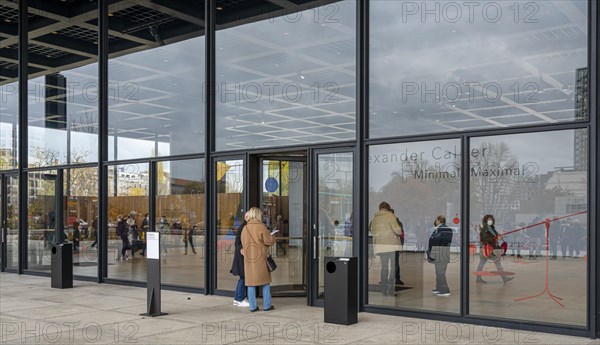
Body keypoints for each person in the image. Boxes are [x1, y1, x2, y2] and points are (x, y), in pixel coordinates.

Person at [241, 207, 276, 312]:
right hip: (260, 257)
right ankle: (267, 305)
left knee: (250, 283)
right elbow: (269, 241)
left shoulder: (245, 228)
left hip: (249, 258)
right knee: (265, 282)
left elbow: (243, 243)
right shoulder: (261, 227)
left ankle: (253, 306)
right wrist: (273, 236)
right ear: (258, 215)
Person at [370, 202, 403, 296]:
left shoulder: (374, 218)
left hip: (380, 245)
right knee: (393, 267)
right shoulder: (390, 216)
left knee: (384, 267)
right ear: (388, 208)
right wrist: (399, 232)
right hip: (391, 245)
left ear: (380, 208)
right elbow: (397, 230)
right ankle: (391, 289)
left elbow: (372, 231)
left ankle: (384, 289)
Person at [475, 215, 514, 284]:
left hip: (491, 248)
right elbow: (484, 239)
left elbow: (497, 235)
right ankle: (504, 278)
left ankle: (478, 278)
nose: (490, 221)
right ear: (486, 220)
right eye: (489, 219)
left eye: (491, 219)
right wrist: (495, 238)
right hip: (486, 248)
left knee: (483, 263)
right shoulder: (484, 228)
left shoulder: (492, 228)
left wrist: (501, 236)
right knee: (494, 262)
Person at [427, 215, 453, 296]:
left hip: (441, 253)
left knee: (441, 272)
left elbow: (438, 241)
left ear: (439, 220)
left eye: (436, 220)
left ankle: (445, 289)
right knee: (438, 272)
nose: (435, 221)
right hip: (438, 253)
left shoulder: (445, 229)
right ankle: (439, 287)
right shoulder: (438, 229)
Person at [231, 211, 249, 307]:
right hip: (241, 254)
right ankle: (239, 298)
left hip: (240, 253)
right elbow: (238, 241)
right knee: (243, 277)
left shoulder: (243, 226)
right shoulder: (244, 227)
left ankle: (238, 297)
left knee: (242, 277)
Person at [390, 209, 405, 286]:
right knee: (392, 263)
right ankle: (394, 279)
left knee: (395, 263)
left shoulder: (398, 223)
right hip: (389, 245)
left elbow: (401, 235)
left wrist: (401, 245)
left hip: (394, 245)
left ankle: (396, 278)